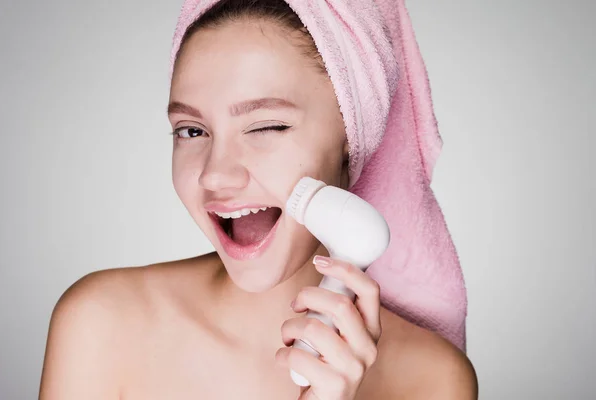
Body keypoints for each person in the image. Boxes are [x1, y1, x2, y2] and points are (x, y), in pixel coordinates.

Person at [39, 0, 478, 398]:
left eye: (266, 127)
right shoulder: (102, 324)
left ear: (353, 138)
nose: (215, 174)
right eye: (192, 131)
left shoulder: (434, 379)